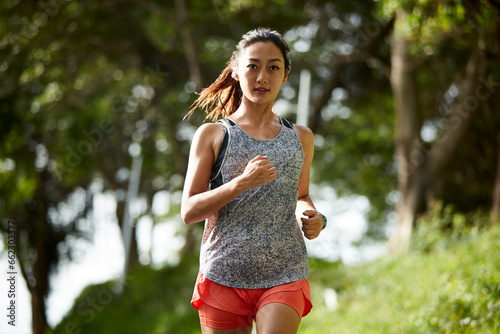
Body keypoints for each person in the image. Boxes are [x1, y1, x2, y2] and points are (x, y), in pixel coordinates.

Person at [181, 27, 327, 334]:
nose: (263, 77)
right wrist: (241, 183)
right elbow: (190, 211)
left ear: (285, 75)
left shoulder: (301, 137)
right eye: (253, 66)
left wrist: (313, 217)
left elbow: (301, 195)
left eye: (273, 67)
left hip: (285, 271)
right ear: (236, 71)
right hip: (222, 273)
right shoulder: (213, 135)